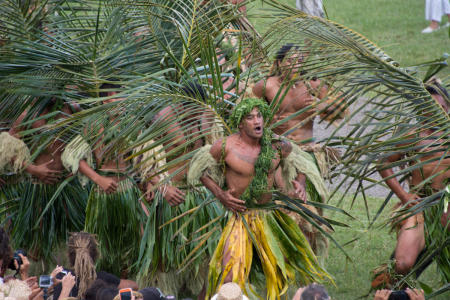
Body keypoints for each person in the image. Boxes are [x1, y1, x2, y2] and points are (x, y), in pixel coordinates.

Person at [188, 98, 330, 298]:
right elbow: (201, 171)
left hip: (269, 216)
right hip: (240, 217)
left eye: (259, 116)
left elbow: (302, 160)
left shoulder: (277, 145)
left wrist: (300, 183)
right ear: (240, 123)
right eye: (250, 117)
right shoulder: (225, 147)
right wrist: (220, 195)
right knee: (228, 276)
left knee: (279, 274)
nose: (257, 121)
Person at [253, 44, 346, 259]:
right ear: (279, 62)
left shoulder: (312, 86)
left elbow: (340, 110)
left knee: (310, 210)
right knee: (283, 207)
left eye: (300, 61)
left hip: (308, 153)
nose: (296, 65)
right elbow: (249, 116)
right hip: (279, 153)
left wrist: (321, 106)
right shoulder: (266, 87)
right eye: (290, 60)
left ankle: (309, 256)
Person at [135, 83, 224, 298]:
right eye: (191, 109)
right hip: (171, 197)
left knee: (204, 259)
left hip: (199, 197)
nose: (196, 114)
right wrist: (162, 186)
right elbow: (142, 158)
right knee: (167, 260)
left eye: (200, 108)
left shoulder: (206, 116)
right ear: (180, 105)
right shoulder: (162, 118)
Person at [62, 83, 144, 276]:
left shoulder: (132, 123)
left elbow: (142, 158)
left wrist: (142, 184)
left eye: (123, 95)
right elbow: (74, 157)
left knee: (130, 244)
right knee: (102, 246)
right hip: (102, 192)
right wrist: (98, 178)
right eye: (116, 96)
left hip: (127, 189)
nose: (120, 100)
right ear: (105, 100)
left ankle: (126, 286)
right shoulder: (94, 124)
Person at [376, 78, 449, 285]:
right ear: (422, 110)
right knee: (402, 264)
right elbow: (383, 163)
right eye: (431, 108)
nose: (437, 113)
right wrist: (404, 196)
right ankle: (386, 281)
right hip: (421, 207)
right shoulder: (414, 135)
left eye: (442, 108)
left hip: (447, 206)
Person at [0, 97, 87, 262]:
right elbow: (7, 147)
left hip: (67, 187)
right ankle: (35, 275)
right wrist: (33, 169)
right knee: (36, 243)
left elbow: (86, 138)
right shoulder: (28, 115)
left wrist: (77, 164)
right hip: (38, 188)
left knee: (76, 239)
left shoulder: (72, 110)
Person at [52, 232, 138, 300]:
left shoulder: (62, 278)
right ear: (96, 255)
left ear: (69, 255)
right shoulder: (102, 278)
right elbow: (134, 286)